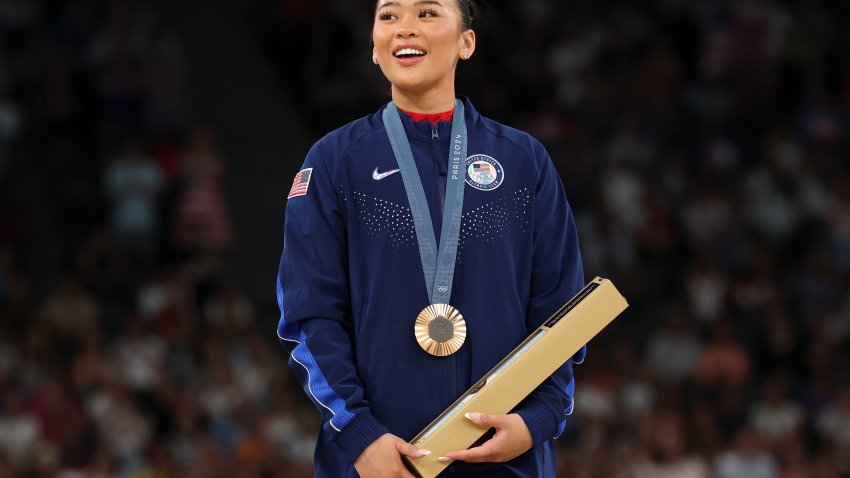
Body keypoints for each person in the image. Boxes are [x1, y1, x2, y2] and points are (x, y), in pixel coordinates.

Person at [276, 1, 585, 476]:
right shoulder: (337, 161)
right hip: (378, 462)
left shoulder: (524, 161)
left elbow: (562, 310)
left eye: (426, 13)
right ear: (375, 49)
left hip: (507, 460)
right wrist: (359, 434)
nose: (404, 29)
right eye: (388, 16)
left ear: (467, 42)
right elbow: (308, 312)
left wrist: (537, 418)